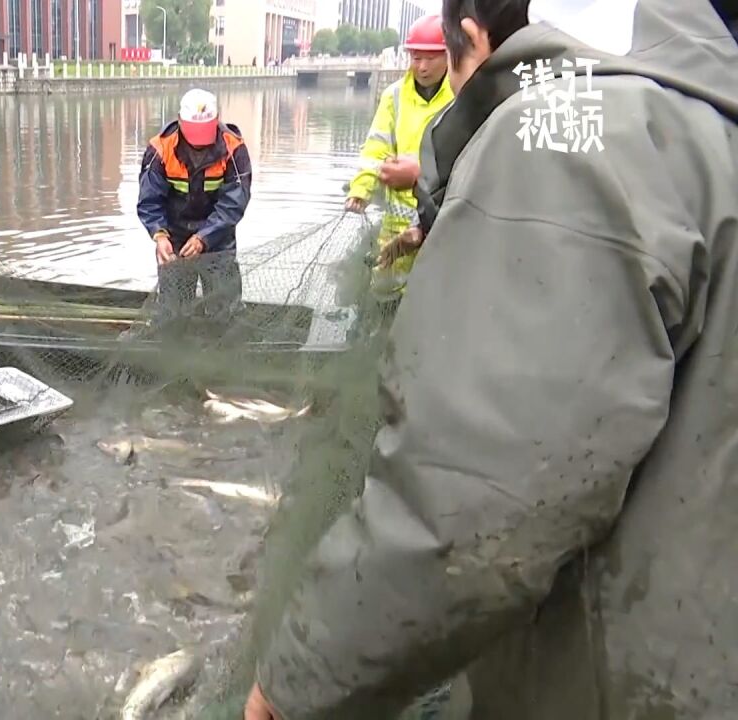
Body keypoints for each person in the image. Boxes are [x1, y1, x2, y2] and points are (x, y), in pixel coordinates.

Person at [243, 0, 738, 717]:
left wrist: (298, 680)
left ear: (473, 39)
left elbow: (472, 509)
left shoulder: (562, 130)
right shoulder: (709, 103)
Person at [343, 13, 454, 302]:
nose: (422, 66)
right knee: (383, 290)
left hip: (440, 218)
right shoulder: (394, 96)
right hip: (395, 220)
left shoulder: (460, 97)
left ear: (449, 55)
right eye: (416, 58)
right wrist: (362, 188)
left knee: (430, 297)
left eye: (431, 58)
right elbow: (376, 149)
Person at [131, 88, 253, 340]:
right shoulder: (160, 149)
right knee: (173, 309)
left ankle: (224, 354)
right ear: (179, 120)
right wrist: (160, 236)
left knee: (224, 308)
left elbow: (234, 202)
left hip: (217, 238)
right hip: (175, 236)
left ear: (217, 120)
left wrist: (204, 237)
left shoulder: (234, 148)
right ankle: (173, 351)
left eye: (205, 130)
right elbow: (149, 201)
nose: (199, 139)